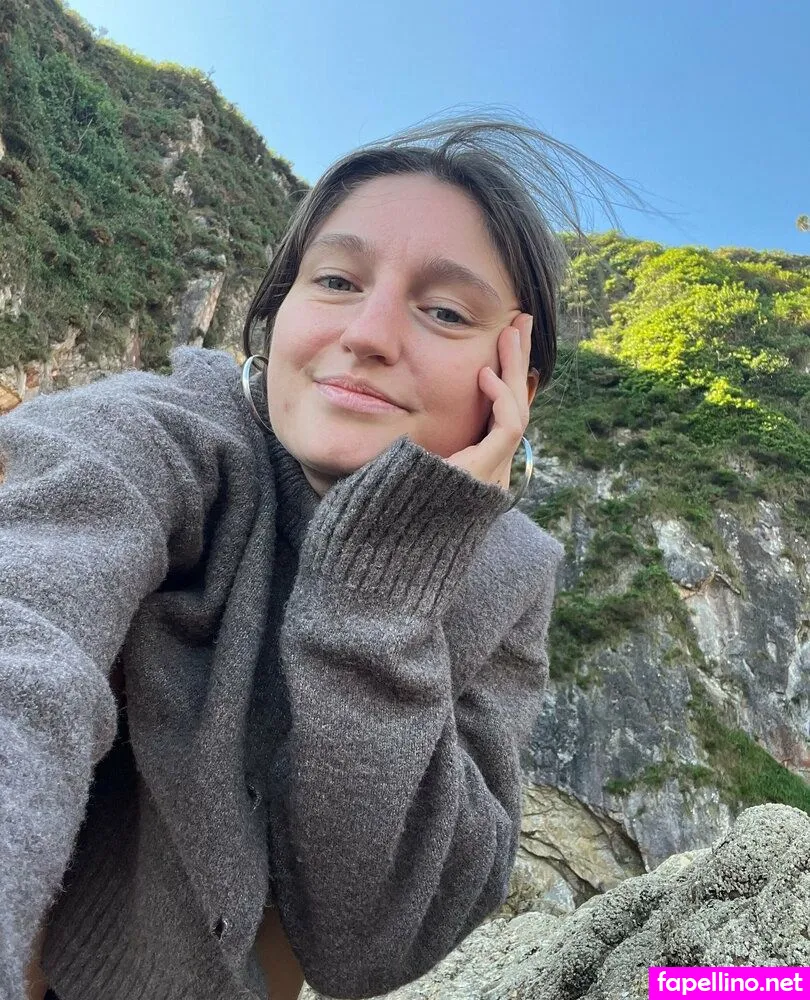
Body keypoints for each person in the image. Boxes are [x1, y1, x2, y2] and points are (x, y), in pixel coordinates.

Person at [0, 110, 642, 1000]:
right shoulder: (146, 439)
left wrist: (381, 596)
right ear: (276, 314)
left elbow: (373, 946)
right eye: (336, 280)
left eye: (445, 311)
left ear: (516, 383)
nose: (368, 333)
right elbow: (25, 640)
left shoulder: (512, 570)